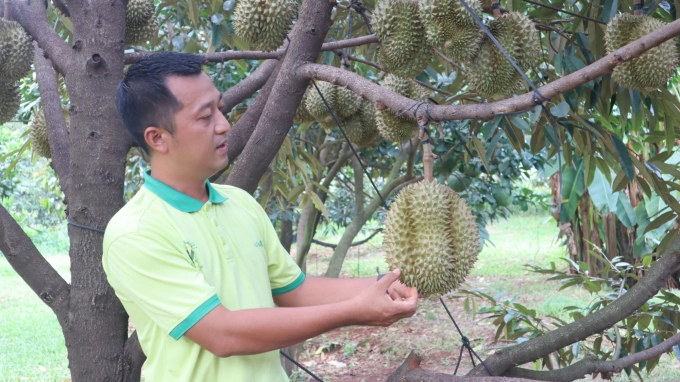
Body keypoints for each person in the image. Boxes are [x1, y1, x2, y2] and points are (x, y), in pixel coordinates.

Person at [103, 52, 418, 382]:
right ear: (157, 138)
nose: (224, 125)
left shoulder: (239, 204)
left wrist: (387, 286)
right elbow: (223, 334)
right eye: (205, 117)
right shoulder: (135, 232)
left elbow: (294, 291)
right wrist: (353, 313)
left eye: (220, 109)